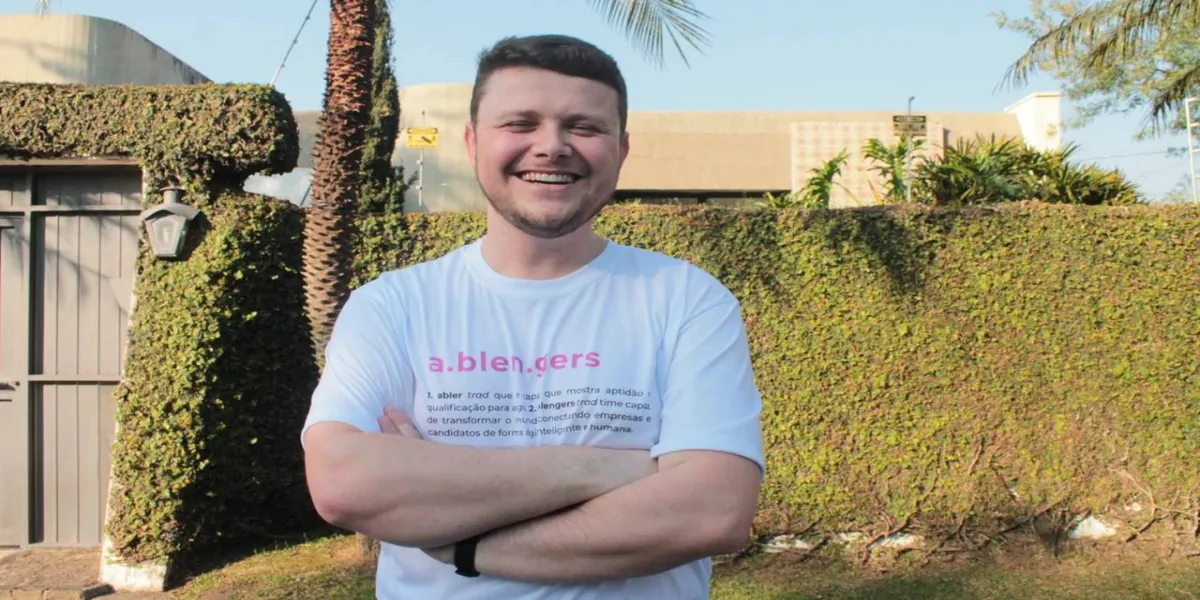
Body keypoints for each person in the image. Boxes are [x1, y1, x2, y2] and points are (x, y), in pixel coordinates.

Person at [301, 33, 765, 599]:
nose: (551, 147)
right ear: (473, 142)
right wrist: (606, 469)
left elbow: (712, 511)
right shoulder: (392, 304)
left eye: (584, 127)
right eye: (520, 123)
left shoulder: (687, 299)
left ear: (621, 150)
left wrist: (463, 545)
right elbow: (343, 484)